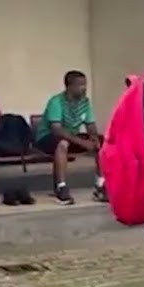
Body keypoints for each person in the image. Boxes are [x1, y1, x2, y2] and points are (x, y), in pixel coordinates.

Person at [35, 70, 106, 204]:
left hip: (70, 136)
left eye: (85, 84)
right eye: (80, 85)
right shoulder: (56, 101)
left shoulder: (85, 102)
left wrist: (93, 137)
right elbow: (57, 130)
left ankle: (100, 186)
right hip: (47, 138)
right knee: (63, 143)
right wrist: (82, 142)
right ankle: (61, 187)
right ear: (69, 86)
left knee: (101, 142)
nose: (84, 88)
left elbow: (90, 124)